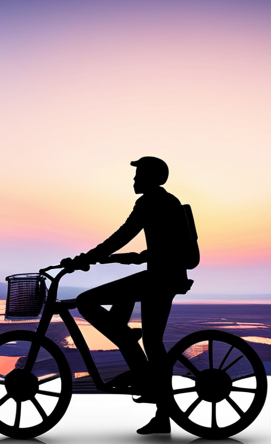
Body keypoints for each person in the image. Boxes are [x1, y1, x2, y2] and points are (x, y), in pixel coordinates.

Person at [61, 156, 194, 435]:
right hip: (167, 277)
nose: (133, 180)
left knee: (86, 301)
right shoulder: (168, 201)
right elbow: (160, 246)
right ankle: (161, 412)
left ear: (149, 177)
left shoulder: (149, 202)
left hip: (158, 278)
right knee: (154, 341)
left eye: (138, 175)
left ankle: (133, 355)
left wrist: (85, 258)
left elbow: (122, 235)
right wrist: (113, 258)